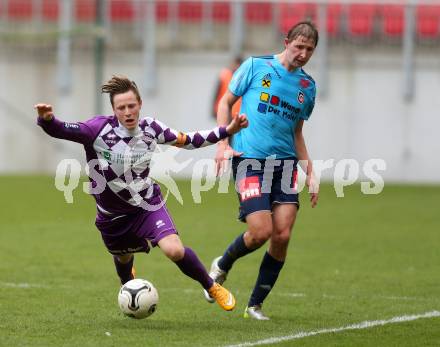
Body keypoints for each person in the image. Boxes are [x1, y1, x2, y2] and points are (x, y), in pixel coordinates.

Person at [35, 75, 248, 312]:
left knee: (174, 249)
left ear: (140, 104)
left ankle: (211, 286)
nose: (127, 112)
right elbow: (62, 129)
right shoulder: (97, 130)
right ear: (114, 110)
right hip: (112, 216)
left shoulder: (151, 128)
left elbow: (189, 140)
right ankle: (128, 285)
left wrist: (226, 130)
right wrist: (47, 119)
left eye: (131, 106)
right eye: (121, 108)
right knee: (124, 259)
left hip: (147, 204)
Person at [203, 22, 320, 319]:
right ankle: (222, 265)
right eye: (299, 46)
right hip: (250, 160)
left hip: (284, 166)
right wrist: (221, 144)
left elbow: (297, 133)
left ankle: (254, 305)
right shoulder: (255, 67)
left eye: (309, 49)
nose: (304, 53)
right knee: (260, 231)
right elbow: (225, 103)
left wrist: (311, 172)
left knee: (281, 234)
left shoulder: (307, 87)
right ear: (287, 42)